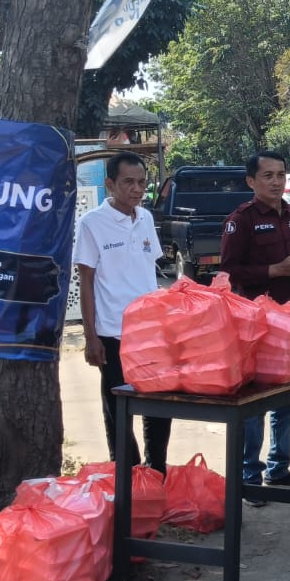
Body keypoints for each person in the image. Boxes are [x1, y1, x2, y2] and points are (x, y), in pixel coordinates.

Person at [219, 150, 290, 504]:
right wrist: (272, 271)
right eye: (268, 176)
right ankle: (250, 477)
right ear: (251, 182)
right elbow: (229, 272)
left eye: (280, 175)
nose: (276, 182)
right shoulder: (241, 220)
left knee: (288, 397)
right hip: (256, 323)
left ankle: (279, 468)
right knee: (256, 401)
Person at [75, 151, 170, 472]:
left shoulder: (145, 218)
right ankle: (127, 474)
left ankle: (156, 472)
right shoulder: (91, 224)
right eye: (128, 182)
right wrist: (91, 338)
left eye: (142, 182)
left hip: (151, 332)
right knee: (118, 407)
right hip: (113, 333)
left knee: (158, 403)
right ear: (110, 184)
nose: (137, 189)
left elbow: (149, 272)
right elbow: (85, 282)